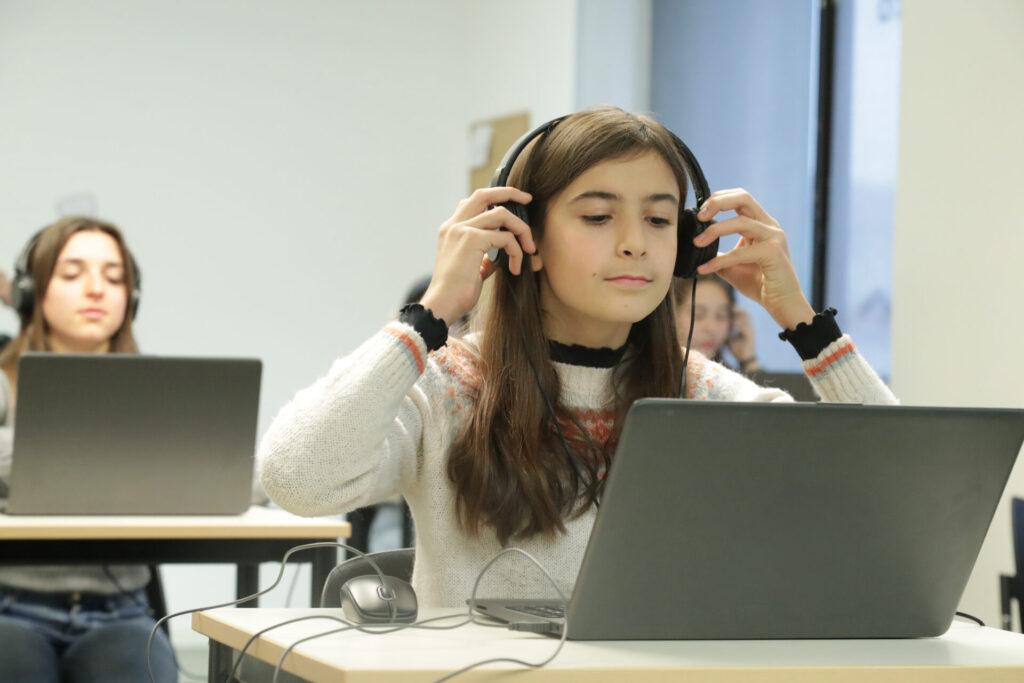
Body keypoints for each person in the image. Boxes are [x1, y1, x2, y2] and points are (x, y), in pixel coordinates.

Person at [258, 107, 897, 608]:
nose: (633, 245)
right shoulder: (450, 386)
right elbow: (296, 476)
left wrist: (806, 327)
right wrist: (427, 319)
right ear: (521, 233)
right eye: (597, 217)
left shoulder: (702, 394)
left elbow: (895, 498)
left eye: (658, 221)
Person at [0, 217, 176, 682]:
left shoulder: (156, 393)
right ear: (30, 292)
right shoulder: (3, 380)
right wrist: (123, 453)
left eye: (114, 277)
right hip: (10, 607)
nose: (96, 289)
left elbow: (227, 468)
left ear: (130, 298)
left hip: (124, 615)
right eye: (73, 274)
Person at [673, 274, 761, 373]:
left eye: (721, 315)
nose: (711, 328)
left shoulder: (730, 380)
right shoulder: (654, 376)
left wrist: (748, 360)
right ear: (672, 315)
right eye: (698, 315)